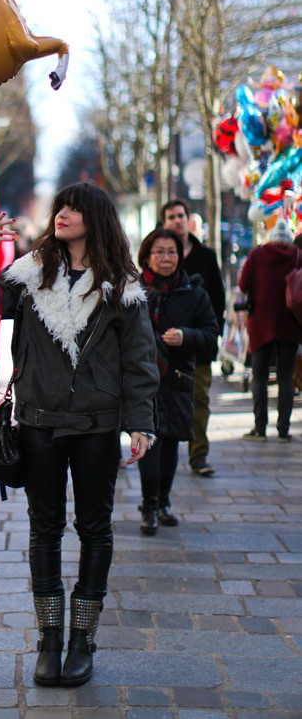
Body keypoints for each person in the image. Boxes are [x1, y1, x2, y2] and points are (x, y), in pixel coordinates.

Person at [0, 181, 159, 688]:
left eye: (73, 208)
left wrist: (141, 422)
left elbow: (139, 361)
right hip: (39, 423)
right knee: (44, 530)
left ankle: (82, 640)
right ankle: (50, 639)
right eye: (60, 207)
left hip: (96, 425)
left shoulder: (121, 285)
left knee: (95, 530)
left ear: (96, 218)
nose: (62, 214)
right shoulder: (29, 274)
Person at [136, 228, 219, 536]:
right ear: (147, 255)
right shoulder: (134, 291)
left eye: (172, 251)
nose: (166, 258)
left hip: (177, 378)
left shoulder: (194, 293)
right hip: (142, 380)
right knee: (148, 442)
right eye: (159, 251)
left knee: (170, 442)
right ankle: (149, 503)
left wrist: (186, 337)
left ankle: (163, 501)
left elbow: (211, 335)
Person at [161, 199, 225, 477]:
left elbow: (218, 300)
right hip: (163, 349)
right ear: (164, 222)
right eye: (171, 217)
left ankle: (198, 454)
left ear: (188, 219)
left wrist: (210, 338)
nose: (177, 221)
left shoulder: (206, 256)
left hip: (198, 346)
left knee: (199, 400)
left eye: (181, 216)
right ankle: (160, 452)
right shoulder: (157, 255)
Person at [238, 218, 302, 442]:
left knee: (260, 376)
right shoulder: (297, 256)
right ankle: (283, 430)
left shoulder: (256, 255)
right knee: (285, 376)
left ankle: (259, 428)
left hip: (260, 323)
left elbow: (243, 286)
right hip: (290, 323)